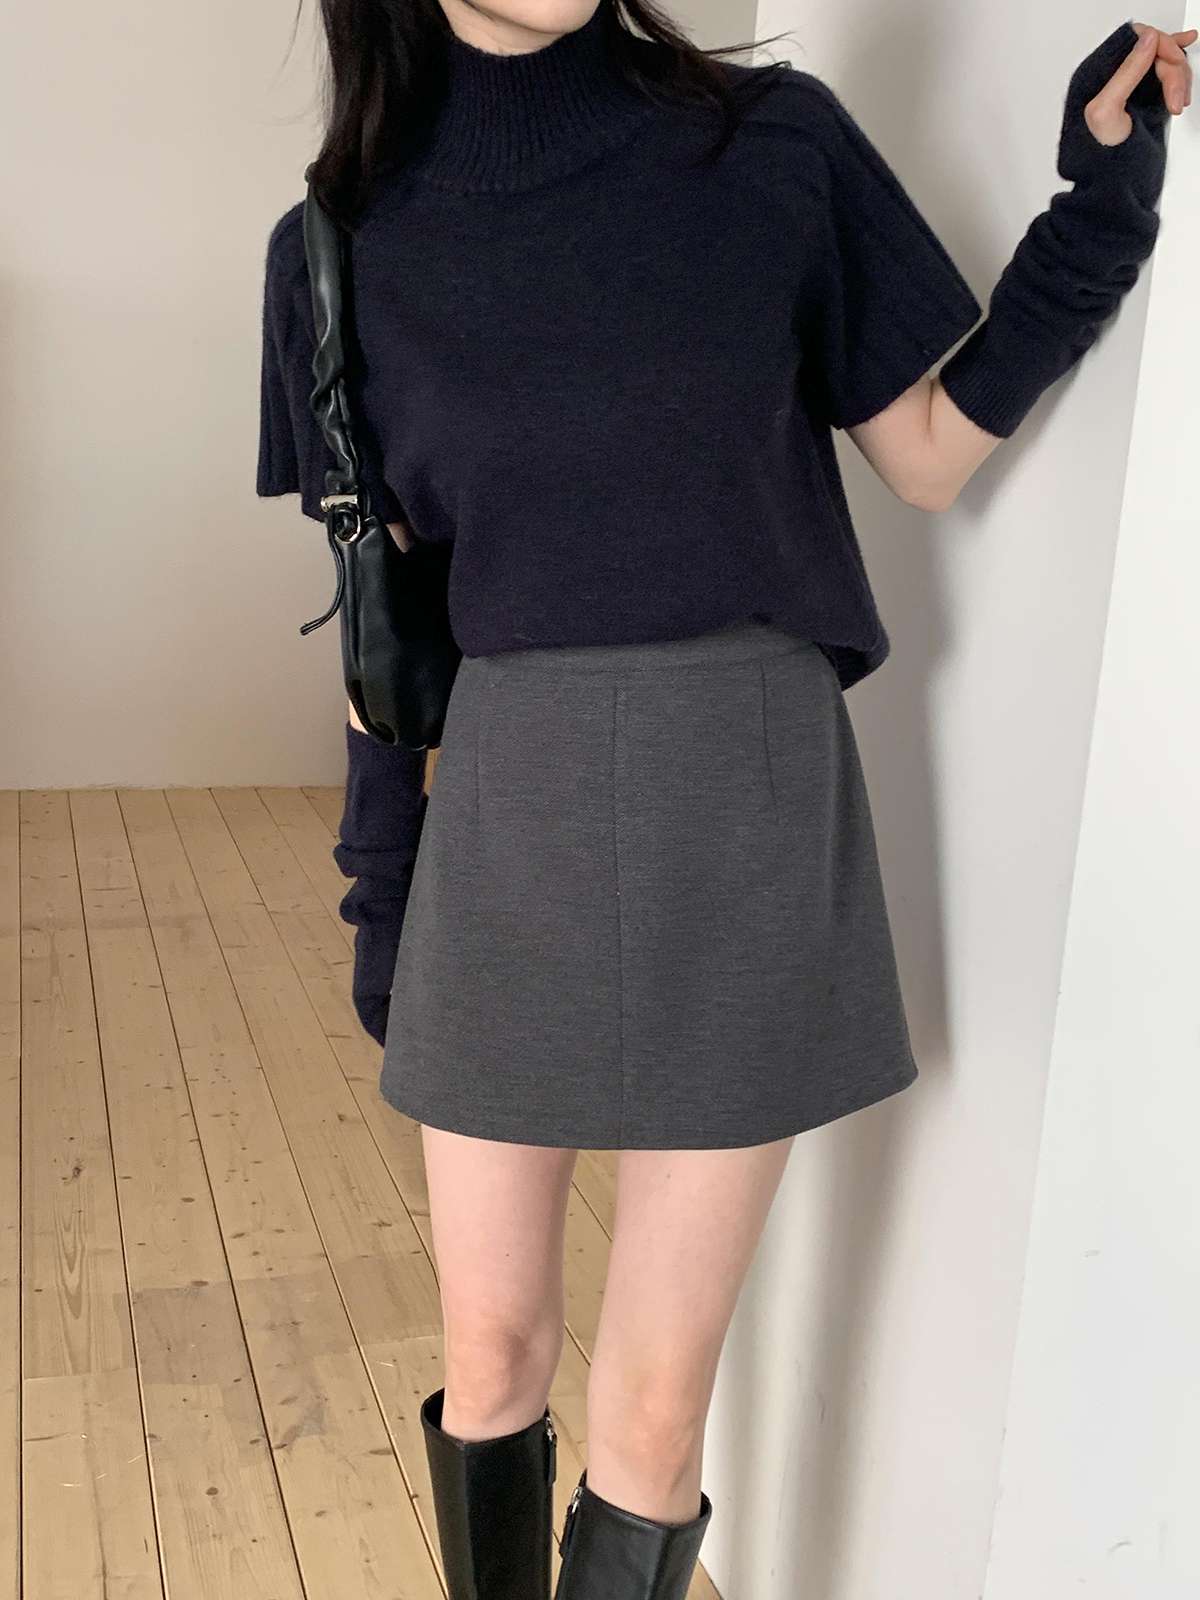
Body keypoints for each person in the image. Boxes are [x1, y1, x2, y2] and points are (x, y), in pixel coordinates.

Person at [256, 7, 1191, 1595]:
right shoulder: (338, 244)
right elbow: (381, 636)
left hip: (744, 784)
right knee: (491, 1349)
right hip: (509, 799)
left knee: (655, 1400)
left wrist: (1099, 209)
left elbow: (926, 453)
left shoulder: (771, 145)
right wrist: (384, 894)